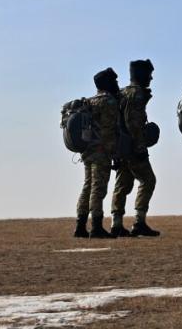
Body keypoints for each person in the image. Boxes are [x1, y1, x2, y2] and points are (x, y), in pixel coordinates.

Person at [110, 59, 159, 238]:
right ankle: (139, 222)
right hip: (132, 147)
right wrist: (140, 148)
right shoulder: (136, 94)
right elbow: (134, 123)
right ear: (141, 74)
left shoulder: (122, 92)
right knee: (148, 180)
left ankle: (116, 224)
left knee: (122, 185)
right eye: (149, 74)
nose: (151, 78)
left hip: (121, 147)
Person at [75, 68, 120, 239]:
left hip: (87, 150)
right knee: (98, 188)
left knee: (88, 186)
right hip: (101, 151)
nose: (116, 84)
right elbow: (109, 130)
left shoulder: (90, 101)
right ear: (107, 83)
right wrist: (114, 153)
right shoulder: (108, 101)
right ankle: (96, 227)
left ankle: (80, 226)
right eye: (114, 81)